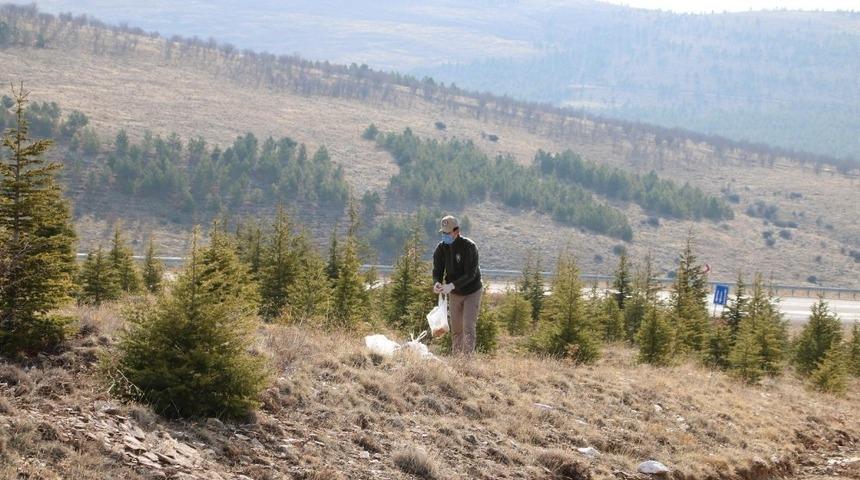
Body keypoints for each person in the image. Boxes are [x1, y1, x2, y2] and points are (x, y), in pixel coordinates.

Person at [432, 215, 482, 355]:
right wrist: (436, 282)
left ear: (456, 231)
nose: (445, 236)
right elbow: (437, 269)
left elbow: (470, 274)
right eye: (443, 232)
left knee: (468, 326)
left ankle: (467, 360)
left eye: (447, 233)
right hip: (455, 293)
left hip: (472, 291)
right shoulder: (441, 248)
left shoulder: (469, 247)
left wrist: (451, 286)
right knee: (456, 328)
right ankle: (456, 357)